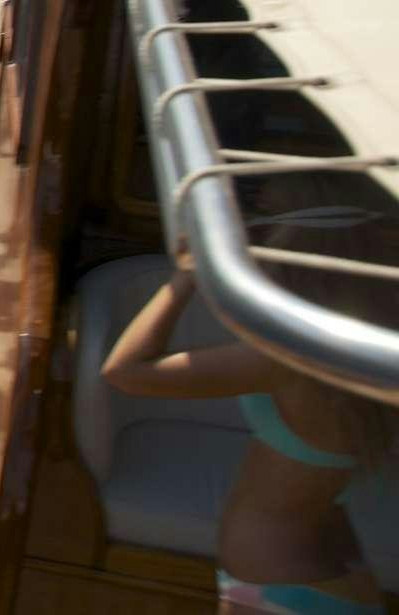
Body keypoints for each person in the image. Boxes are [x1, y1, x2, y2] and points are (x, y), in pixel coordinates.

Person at [102, 253, 392, 614]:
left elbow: (124, 371)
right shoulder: (375, 340)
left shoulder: (288, 360)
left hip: (277, 576)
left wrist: (183, 278)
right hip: (334, 569)